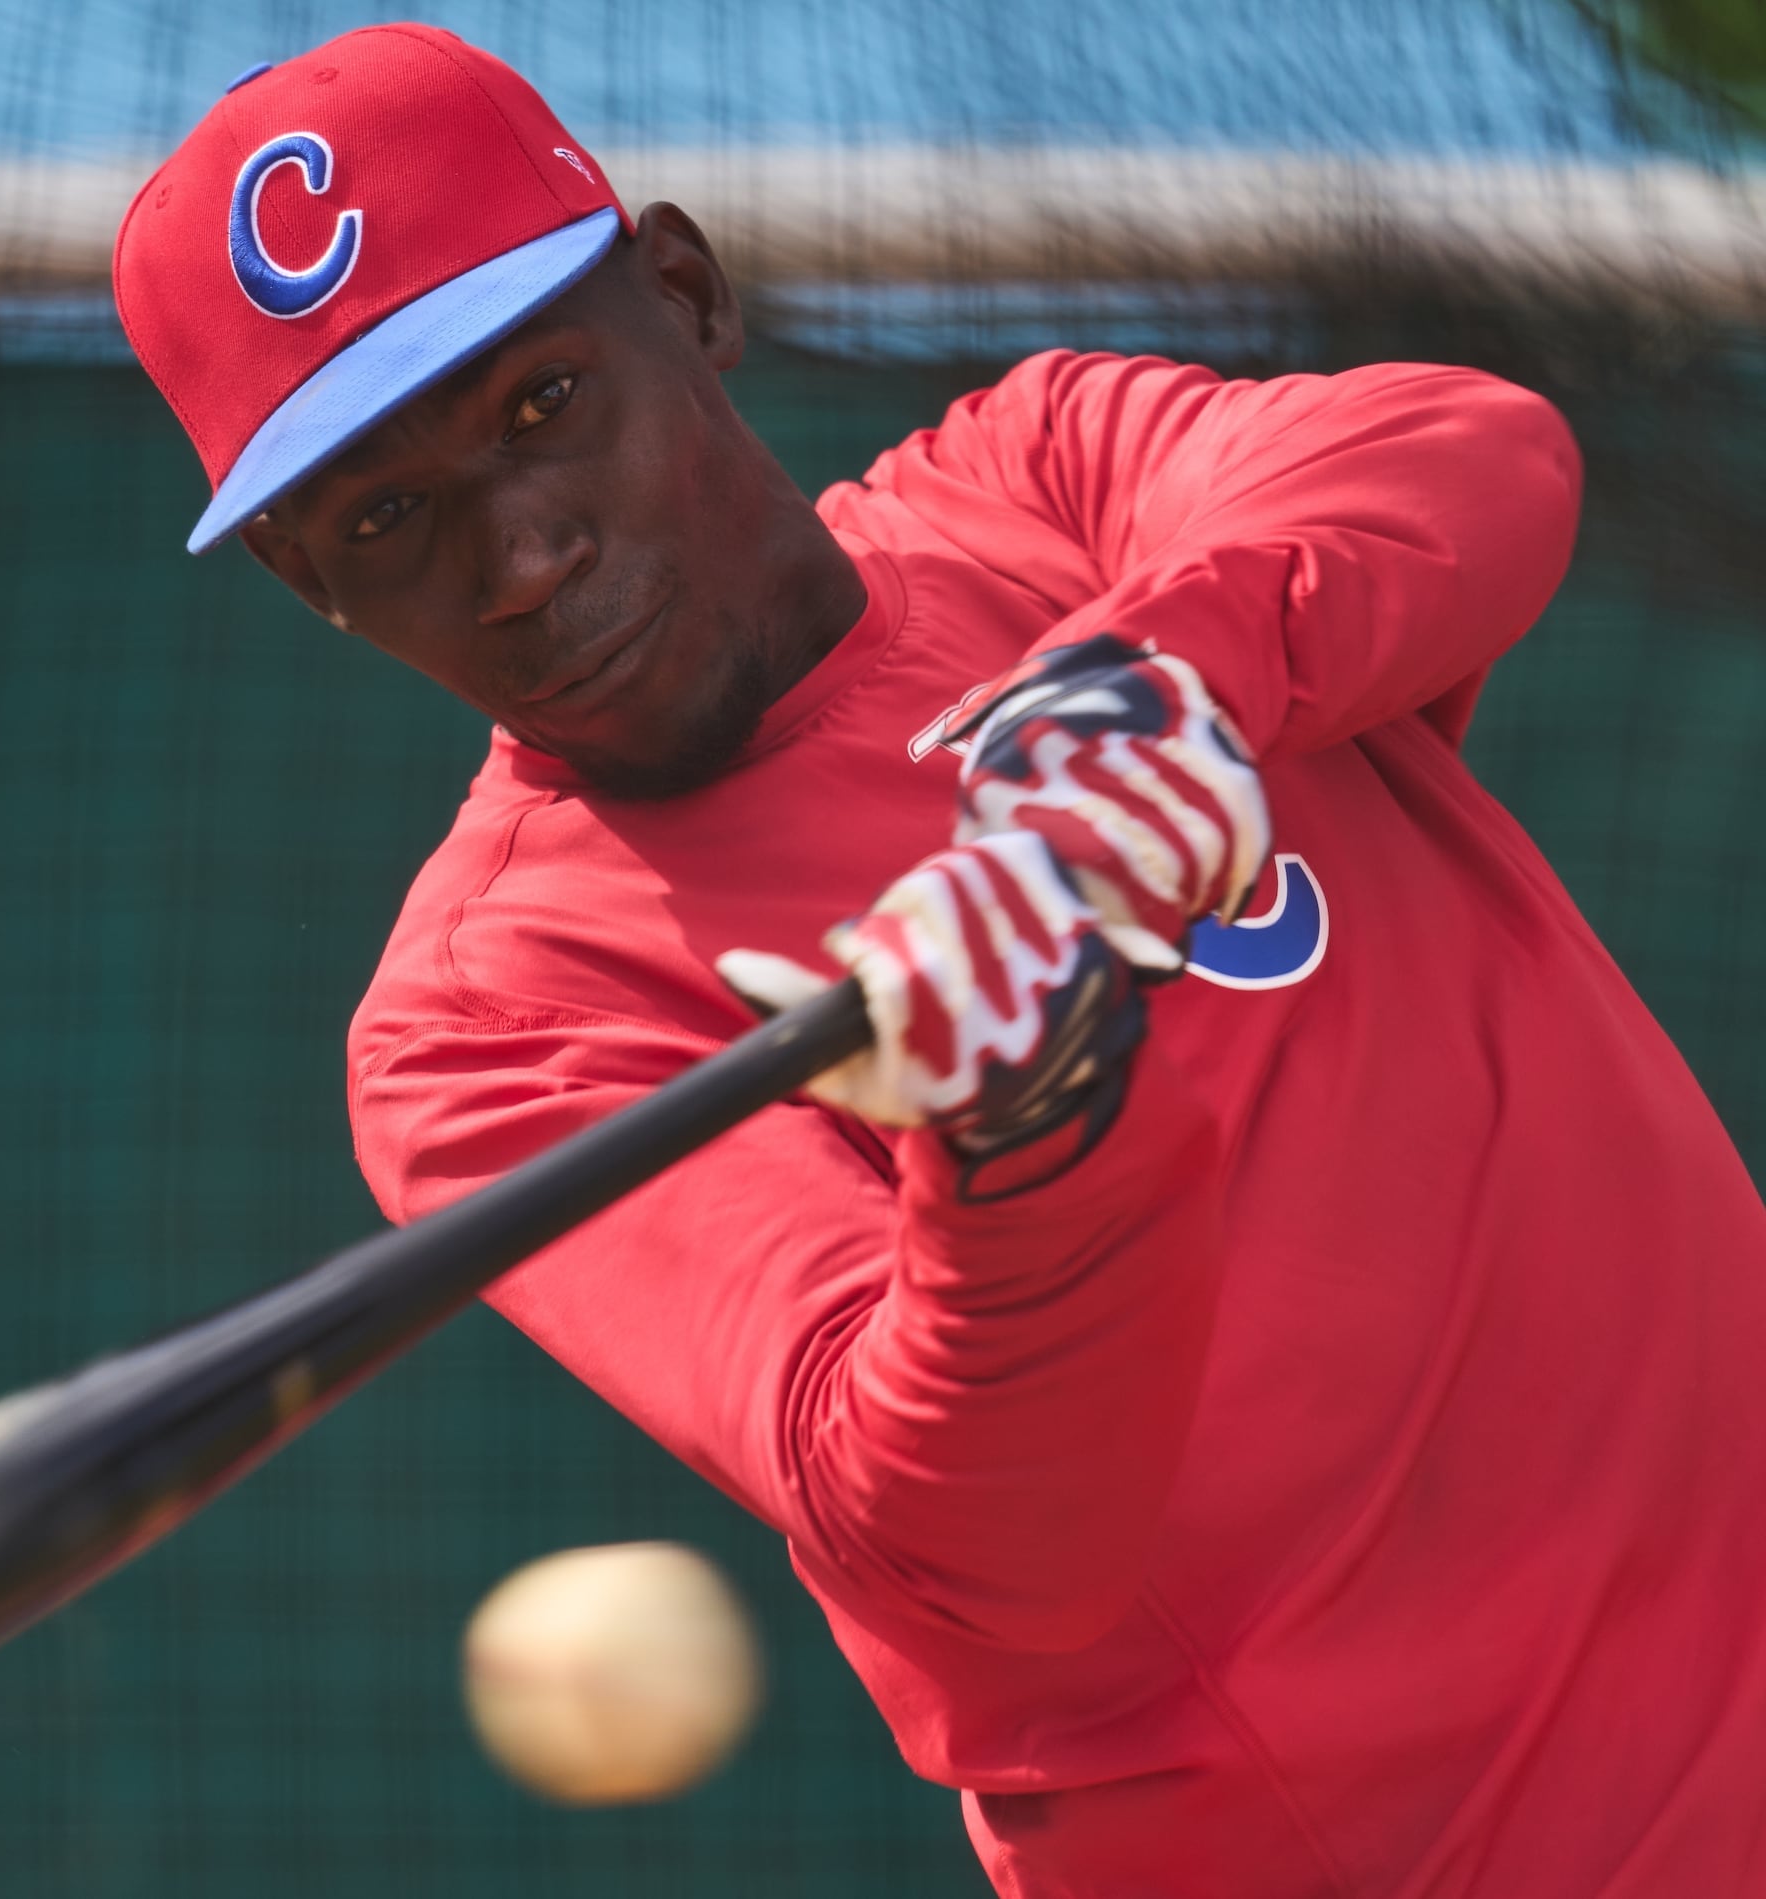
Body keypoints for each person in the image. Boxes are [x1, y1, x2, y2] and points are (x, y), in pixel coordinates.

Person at [113, 24, 1766, 1895]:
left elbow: (1474, 453)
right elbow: (978, 1551)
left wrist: (1156, 681)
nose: (517, 558)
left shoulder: (1037, 492)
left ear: (685, 295)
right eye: (388, 516)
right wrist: (1023, 1137)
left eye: (542, 402)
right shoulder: (493, 1021)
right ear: (308, 582)